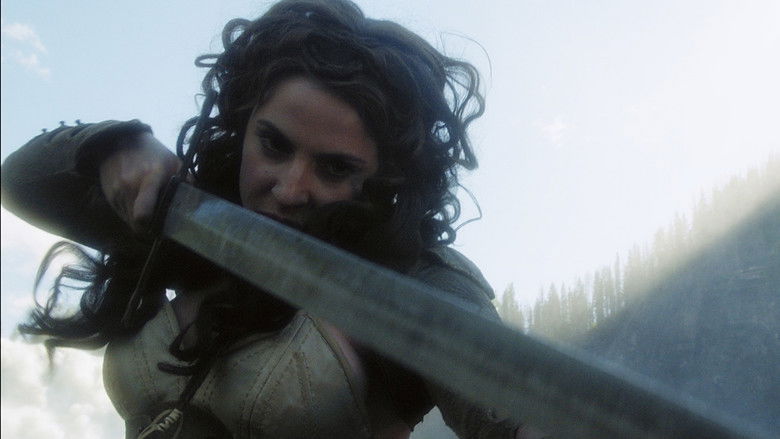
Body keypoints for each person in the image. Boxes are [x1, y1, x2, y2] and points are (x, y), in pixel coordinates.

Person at [1, 1, 543, 438]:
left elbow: (520, 416)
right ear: (244, 125)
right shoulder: (188, 222)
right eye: (274, 145)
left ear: (382, 181)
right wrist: (112, 147)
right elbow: (19, 183)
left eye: (335, 169)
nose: (288, 189)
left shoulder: (413, 281)